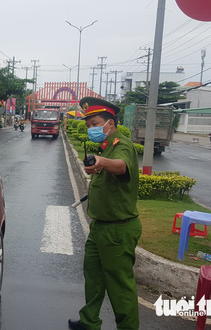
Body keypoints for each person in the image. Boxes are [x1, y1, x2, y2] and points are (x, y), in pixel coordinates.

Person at [68, 97, 141, 330]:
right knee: (93, 278)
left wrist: (102, 161)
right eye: (88, 125)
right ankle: (89, 321)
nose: (91, 129)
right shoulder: (105, 147)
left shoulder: (122, 145)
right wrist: (98, 161)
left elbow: (120, 166)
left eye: (95, 124)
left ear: (110, 123)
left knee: (120, 287)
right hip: (99, 227)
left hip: (118, 229)